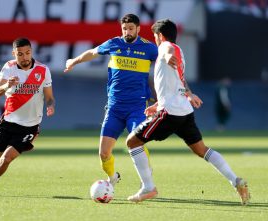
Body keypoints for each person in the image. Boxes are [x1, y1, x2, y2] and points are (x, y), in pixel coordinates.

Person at [125, 19, 250, 205]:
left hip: (170, 112)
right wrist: (181, 96)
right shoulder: (180, 51)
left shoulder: (166, 47)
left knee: (133, 142)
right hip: (183, 110)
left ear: (160, 36)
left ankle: (148, 187)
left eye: (155, 37)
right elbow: (178, 82)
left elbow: (167, 50)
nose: (155, 40)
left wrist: (166, 56)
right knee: (201, 149)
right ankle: (235, 180)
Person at [64, 14, 177, 186]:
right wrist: (74, 61)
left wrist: (170, 88)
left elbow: (165, 61)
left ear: (138, 28)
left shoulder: (149, 48)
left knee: (137, 143)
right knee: (103, 153)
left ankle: (146, 177)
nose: (127, 31)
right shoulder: (114, 43)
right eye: (124, 28)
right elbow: (93, 52)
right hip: (114, 107)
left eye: (131, 28)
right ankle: (112, 177)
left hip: (137, 106)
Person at [0, 37, 55, 196]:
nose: (25, 57)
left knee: (7, 158)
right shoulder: (8, 68)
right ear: (14, 54)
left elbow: (49, 96)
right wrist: (7, 85)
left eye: (27, 53)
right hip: (8, 122)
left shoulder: (43, 70)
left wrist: (51, 105)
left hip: (30, 126)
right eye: (20, 54)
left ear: (31, 51)